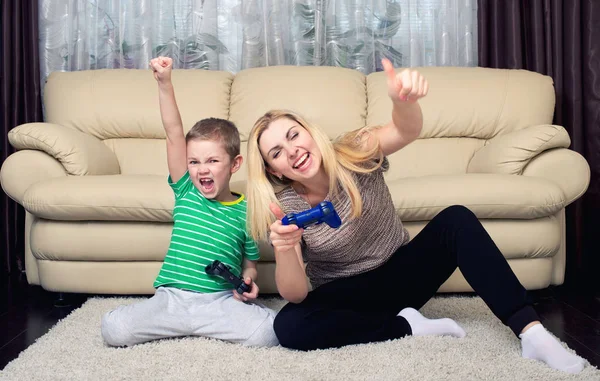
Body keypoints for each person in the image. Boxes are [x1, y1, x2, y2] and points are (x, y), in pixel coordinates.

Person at [245, 58, 585, 373]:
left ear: (308, 131)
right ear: (274, 170)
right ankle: (407, 326)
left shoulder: (354, 151)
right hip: (347, 295)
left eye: (294, 135)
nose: (292, 151)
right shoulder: (286, 206)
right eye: (277, 152)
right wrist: (285, 247)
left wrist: (402, 103)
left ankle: (532, 333)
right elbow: (296, 295)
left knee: (457, 220)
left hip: (401, 274)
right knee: (287, 327)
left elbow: (404, 131)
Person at [101, 56, 278, 348]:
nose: (201, 169)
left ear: (235, 164)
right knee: (114, 329)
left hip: (218, 300)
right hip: (172, 299)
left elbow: (250, 264)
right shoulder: (187, 191)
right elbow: (173, 133)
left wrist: (247, 281)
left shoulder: (247, 211)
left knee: (268, 333)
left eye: (212, 160)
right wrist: (164, 83)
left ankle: (211, 323)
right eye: (194, 161)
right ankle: (169, 322)